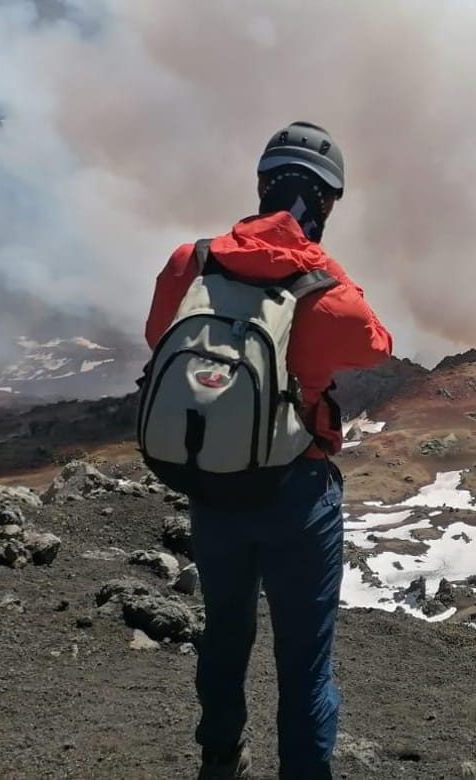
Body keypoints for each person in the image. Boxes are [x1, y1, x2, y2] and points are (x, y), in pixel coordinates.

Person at [144, 122, 392, 780]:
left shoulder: (189, 263)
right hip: (297, 497)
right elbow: (377, 342)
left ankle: (221, 757)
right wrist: (319, 262)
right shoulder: (324, 293)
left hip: (214, 485)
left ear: (260, 185)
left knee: (224, 633)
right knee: (304, 666)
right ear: (329, 204)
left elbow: (157, 340)